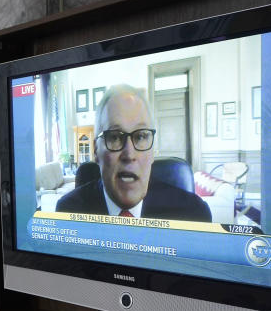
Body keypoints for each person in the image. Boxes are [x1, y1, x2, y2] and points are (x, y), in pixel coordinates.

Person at [57, 84, 211, 222]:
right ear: (96, 151)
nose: (129, 154)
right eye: (115, 137)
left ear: (152, 151)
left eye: (141, 136)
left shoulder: (194, 215)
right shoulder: (67, 212)